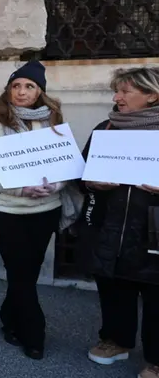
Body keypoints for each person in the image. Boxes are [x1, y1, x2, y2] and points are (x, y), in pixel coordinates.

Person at [0, 59, 71, 361]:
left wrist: (56, 185)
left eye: (29, 86)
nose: (21, 92)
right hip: (4, 209)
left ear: (40, 91)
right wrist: (17, 188)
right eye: (16, 86)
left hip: (45, 208)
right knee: (20, 271)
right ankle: (34, 333)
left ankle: (8, 316)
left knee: (27, 271)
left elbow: (66, 164)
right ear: (9, 89)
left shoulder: (52, 120)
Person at [77, 67, 159, 378]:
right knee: (113, 285)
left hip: (153, 227)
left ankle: (156, 358)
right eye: (117, 91)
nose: (117, 97)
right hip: (110, 226)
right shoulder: (107, 128)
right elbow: (82, 173)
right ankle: (116, 340)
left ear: (152, 95)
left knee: (156, 296)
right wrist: (92, 182)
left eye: (125, 91)